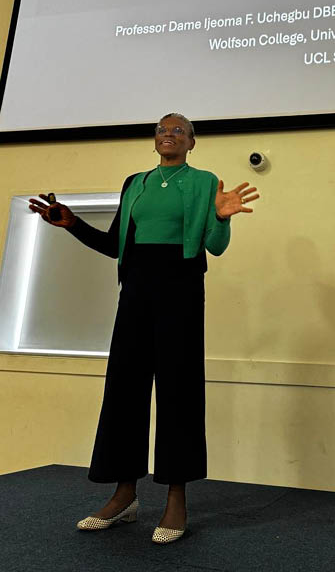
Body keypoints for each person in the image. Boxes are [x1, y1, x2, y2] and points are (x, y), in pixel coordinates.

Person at [28, 113, 259, 544]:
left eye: (177, 130)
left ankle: (176, 499)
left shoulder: (206, 181)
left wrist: (223, 217)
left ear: (192, 142)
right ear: (154, 141)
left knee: (179, 392)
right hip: (135, 291)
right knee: (124, 389)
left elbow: (215, 246)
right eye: (161, 130)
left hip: (182, 291)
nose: (167, 134)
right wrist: (72, 223)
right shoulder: (136, 182)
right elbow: (115, 244)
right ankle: (125, 495)